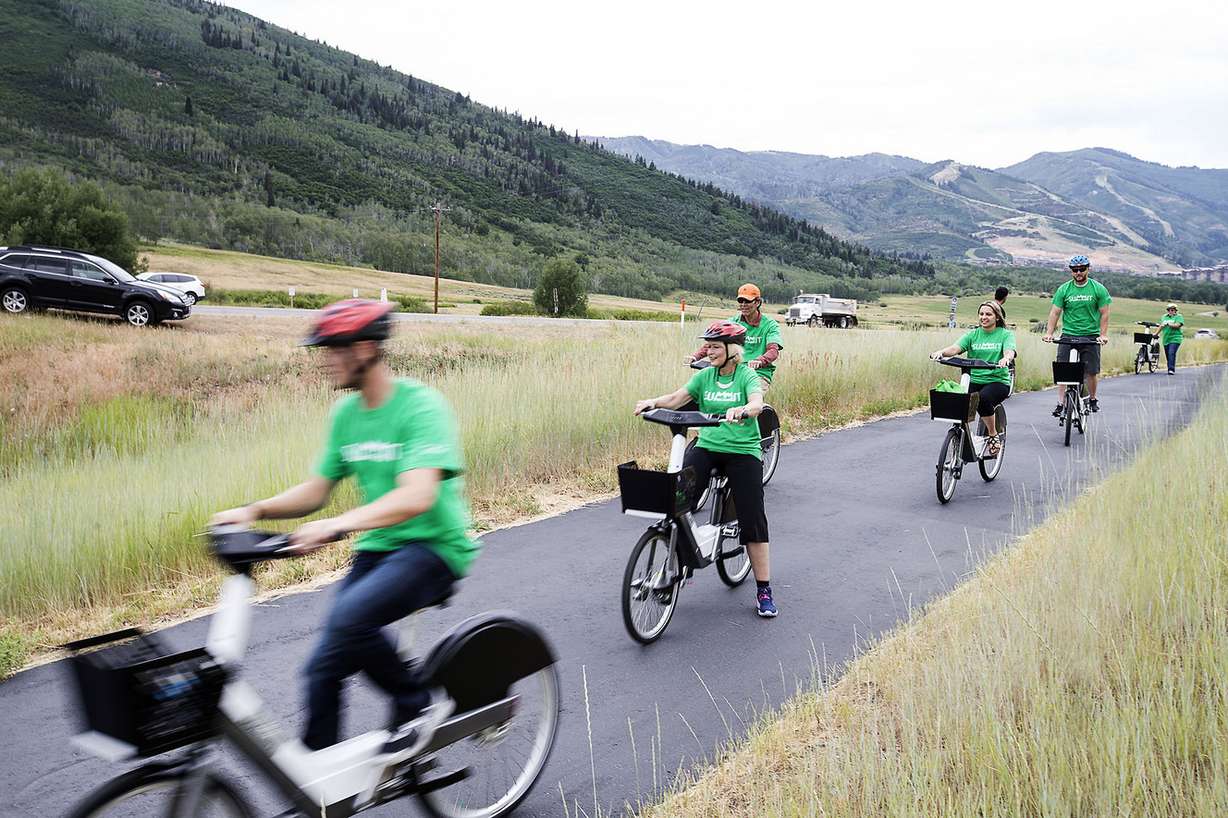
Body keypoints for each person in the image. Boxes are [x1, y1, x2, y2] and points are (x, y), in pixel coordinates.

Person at [210, 299, 479, 754]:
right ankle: (317, 792)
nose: (326, 359)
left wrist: (338, 525)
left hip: (434, 547)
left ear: (366, 348)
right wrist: (253, 511)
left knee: (350, 618)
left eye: (334, 349)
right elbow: (317, 490)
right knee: (321, 668)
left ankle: (419, 703)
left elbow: (418, 496)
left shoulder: (422, 407)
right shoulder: (346, 416)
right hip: (380, 547)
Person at [639, 320, 778, 618]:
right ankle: (683, 560)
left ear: (732, 349)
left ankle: (764, 589)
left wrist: (744, 409)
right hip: (708, 447)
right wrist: (652, 401)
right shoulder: (705, 376)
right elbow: (677, 399)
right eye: (709, 346)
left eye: (715, 347)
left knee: (753, 518)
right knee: (676, 499)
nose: (709, 352)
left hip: (743, 452)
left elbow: (757, 403)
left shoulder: (746, 375)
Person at [930, 301, 1016, 457]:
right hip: (973, 379)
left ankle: (992, 434)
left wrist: (1006, 359)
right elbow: (956, 348)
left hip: (997, 381)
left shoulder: (1005, 334)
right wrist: (941, 352)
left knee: (982, 399)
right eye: (981, 314)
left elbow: (1009, 351)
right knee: (957, 401)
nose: (984, 317)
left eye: (988, 314)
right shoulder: (972, 334)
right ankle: (962, 436)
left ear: (997, 317)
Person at [1044, 254, 1111, 414]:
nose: (1078, 273)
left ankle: (1093, 398)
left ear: (1088, 269)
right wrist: (1049, 333)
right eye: (1075, 270)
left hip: (1090, 335)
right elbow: (1055, 313)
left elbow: (1105, 314)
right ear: (1071, 271)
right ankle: (1060, 403)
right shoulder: (1064, 289)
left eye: (1082, 269)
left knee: (1091, 371)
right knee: (1063, 370)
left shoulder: (1098, 289)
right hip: (1068, 334)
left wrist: (1103, 335)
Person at [688, 283, 783, 388]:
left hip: (758, 372)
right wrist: (695, 357)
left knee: (750, 397)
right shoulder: (732, 323)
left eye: (747, 301)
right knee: (704, 390)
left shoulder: (770, 325)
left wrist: (760, 361)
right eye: (740, 301)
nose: (743, 304)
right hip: (733, 370)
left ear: (757, 302)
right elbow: (714, 343)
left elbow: (773, 350)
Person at [1158, 303, 1184, 375]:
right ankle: (1169, 366)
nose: (1171, 311)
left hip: (1176, 338)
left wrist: (1169, 324)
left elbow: (1177, 325)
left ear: (1175, 310)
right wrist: (1156, 334)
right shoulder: (1164, 317)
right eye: (1169, 310)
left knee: (1171, 353)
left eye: (1173, 310)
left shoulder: (1179, 317)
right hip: (1166, 338)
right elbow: (1161, 326)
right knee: (1168, 354)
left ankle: (1171, 369)